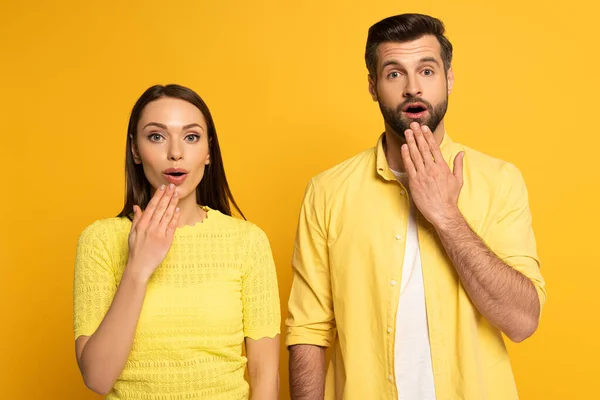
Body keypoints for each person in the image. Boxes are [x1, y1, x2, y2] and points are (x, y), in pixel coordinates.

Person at [286, 13, 546, 400]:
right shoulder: (327, 192)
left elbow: (522, 321)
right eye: (394, 74)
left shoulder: (500, 181)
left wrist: (446, 215)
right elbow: (308, 330)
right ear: (373, 86)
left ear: (449, 78)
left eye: (426, 70)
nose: (412, 88)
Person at [73, 84, 280, 400]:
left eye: (191, 136)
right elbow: (97, 378)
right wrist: (138, 268)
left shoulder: (247, 242)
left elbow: (266, 376)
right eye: (156, 136)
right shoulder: (99, 241)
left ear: (208, 150)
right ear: (135, 150)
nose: (175, 152)